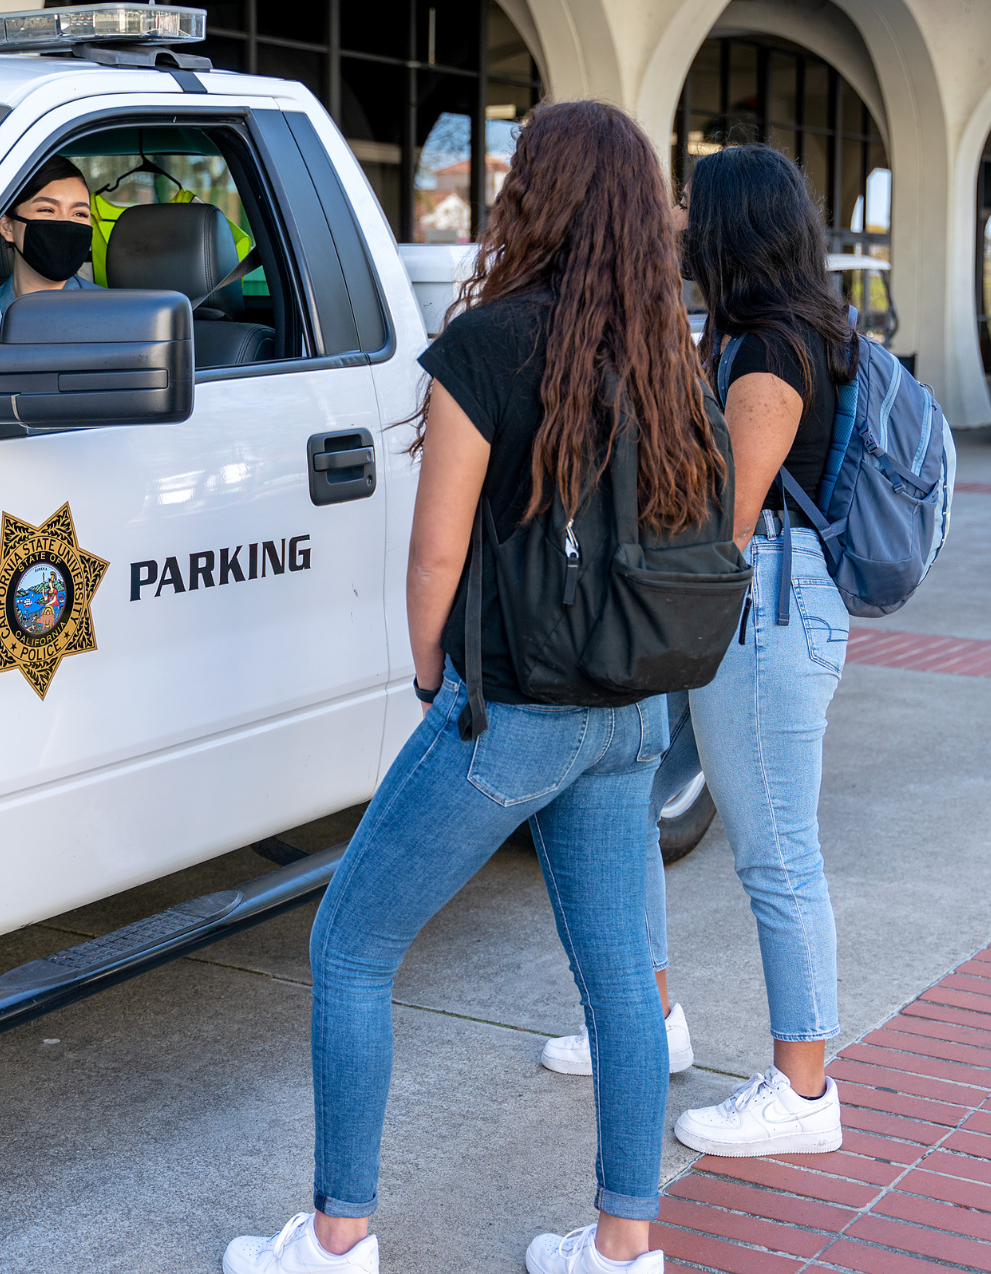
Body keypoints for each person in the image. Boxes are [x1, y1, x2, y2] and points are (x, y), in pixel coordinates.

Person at [223, 100, 729, 1274]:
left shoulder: (488, 344)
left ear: (531, 199)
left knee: (350, 947)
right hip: (629, 709)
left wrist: (430, 679)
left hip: (513, 711)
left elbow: (436, 550)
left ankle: (339, 1236)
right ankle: (621, 1246)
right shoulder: (668, 354)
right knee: (619, 981)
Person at [642, 142, 860, 1157]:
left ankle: (803, 1092)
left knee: (776, 855)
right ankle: (650, 1023)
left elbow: (726, 519)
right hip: (758, 605)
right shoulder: (762, 331)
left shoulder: (771, 350)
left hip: (764, 607)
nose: (678, 216)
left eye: (691, 202)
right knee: (637, 802)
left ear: (730, 222)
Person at [0, 156, 97, 311]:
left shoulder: (115, 314)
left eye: (79, 214)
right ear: (7, 226)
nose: (65, 223)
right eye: (47, 210)